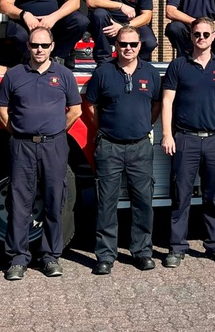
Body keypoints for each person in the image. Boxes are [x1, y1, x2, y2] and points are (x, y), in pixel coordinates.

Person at [0, 26, 82, 281]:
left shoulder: (64, 75)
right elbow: (2, 108)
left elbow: (75, 110)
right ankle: (17, 259)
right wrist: (18, 131)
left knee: (55, 201)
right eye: (35, 45)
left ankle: (50, 257)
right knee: (19, 202)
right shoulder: (14, 75)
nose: (39, 50)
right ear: (28, 47)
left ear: (52, 46)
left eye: (44, 46)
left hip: (54, 145)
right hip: (22, 145)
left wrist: (55, 131)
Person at [160, 17, 215, 268]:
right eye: (197, 34)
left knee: (212, 196)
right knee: (180, 196)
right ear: (191, 36)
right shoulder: (178, 66)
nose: (201, 39)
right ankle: (176, 248)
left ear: (214, 36)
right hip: (185, 140)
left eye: (206, 34)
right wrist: (167, 134)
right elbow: (166, 102)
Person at [82, 26, 161, 275]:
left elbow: (157, 104)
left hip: (140, 147)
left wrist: (145, 126)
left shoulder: (150, 73)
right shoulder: (103, 73)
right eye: (123, 44)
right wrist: (106, 129)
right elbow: (90, 105)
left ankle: (142, 252)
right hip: (110, 148)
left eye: (133, 44)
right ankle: (105, 255)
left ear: (140, 46)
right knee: (106, 203)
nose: (128, 48)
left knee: (143, 202)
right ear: (115, 45)